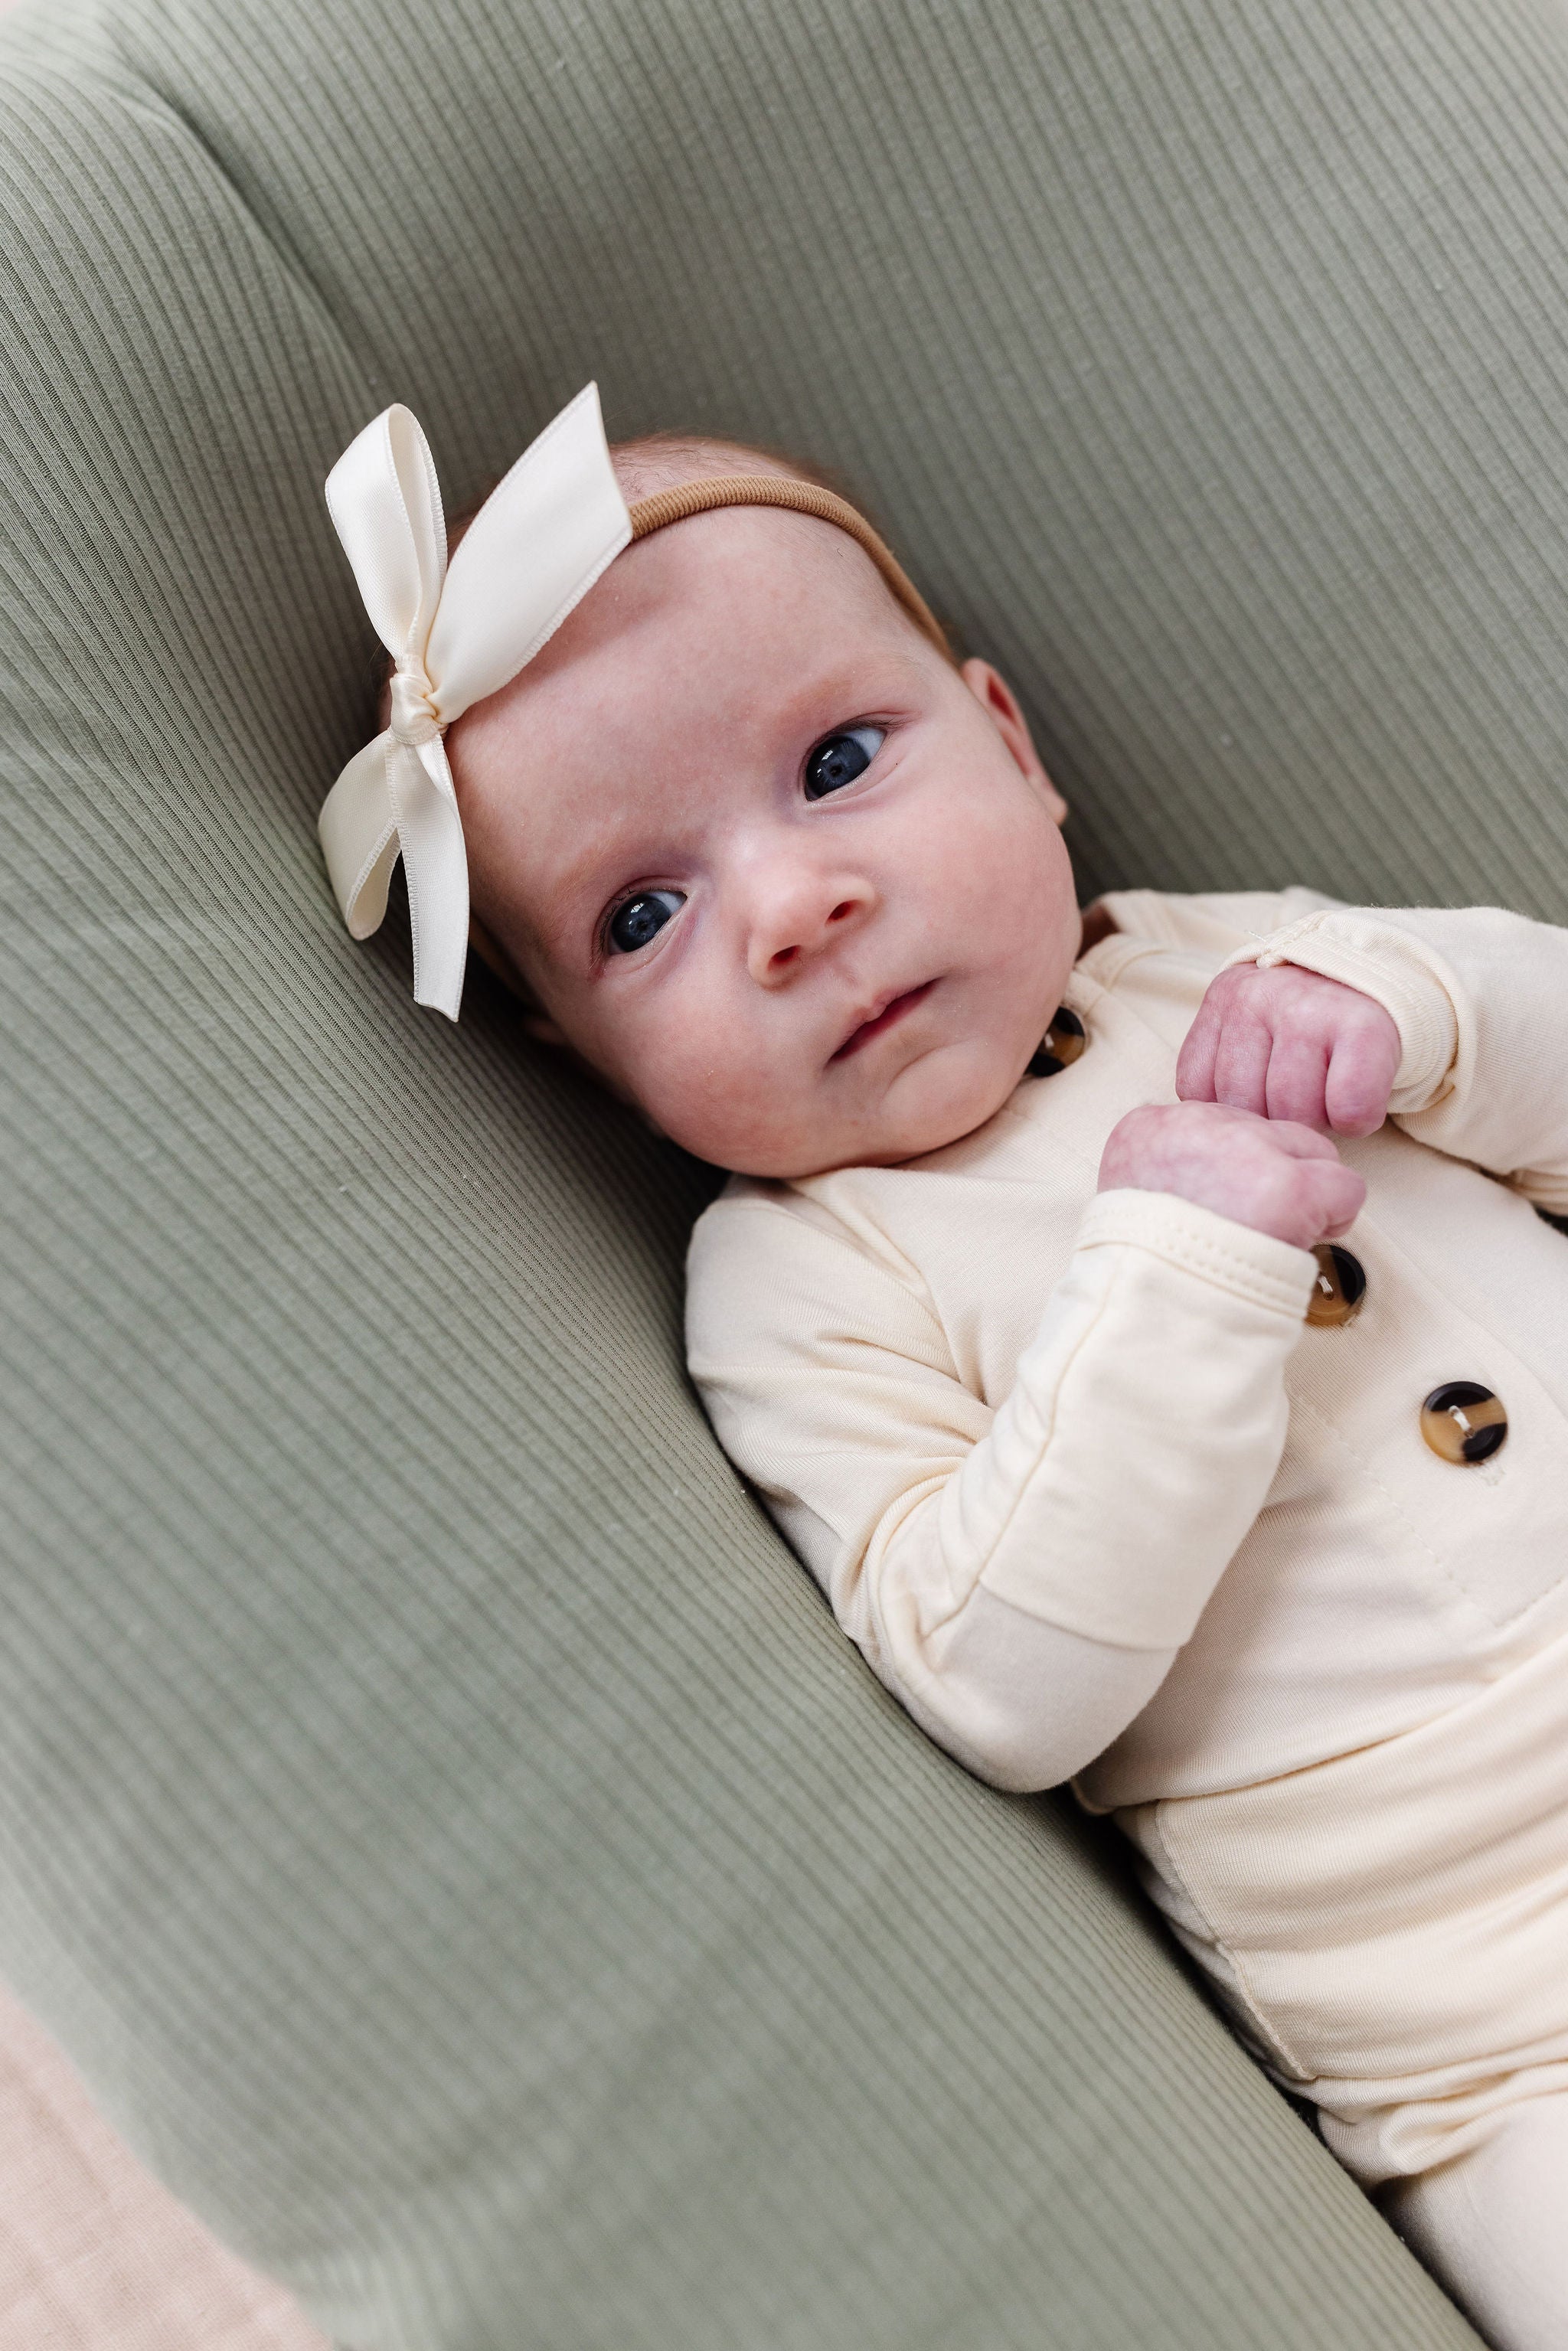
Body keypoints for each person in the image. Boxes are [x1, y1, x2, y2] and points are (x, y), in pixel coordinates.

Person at [319, 385, 1568, 2351]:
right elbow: (998, 1680)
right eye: (643, 914)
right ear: (580, 1058)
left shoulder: (1242, 962)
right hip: (1494, 2017)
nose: (791, 907)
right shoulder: (796, 1286)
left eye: (836, 762)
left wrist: (1435, 1011)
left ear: (1013, 746)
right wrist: (1176, 1270)